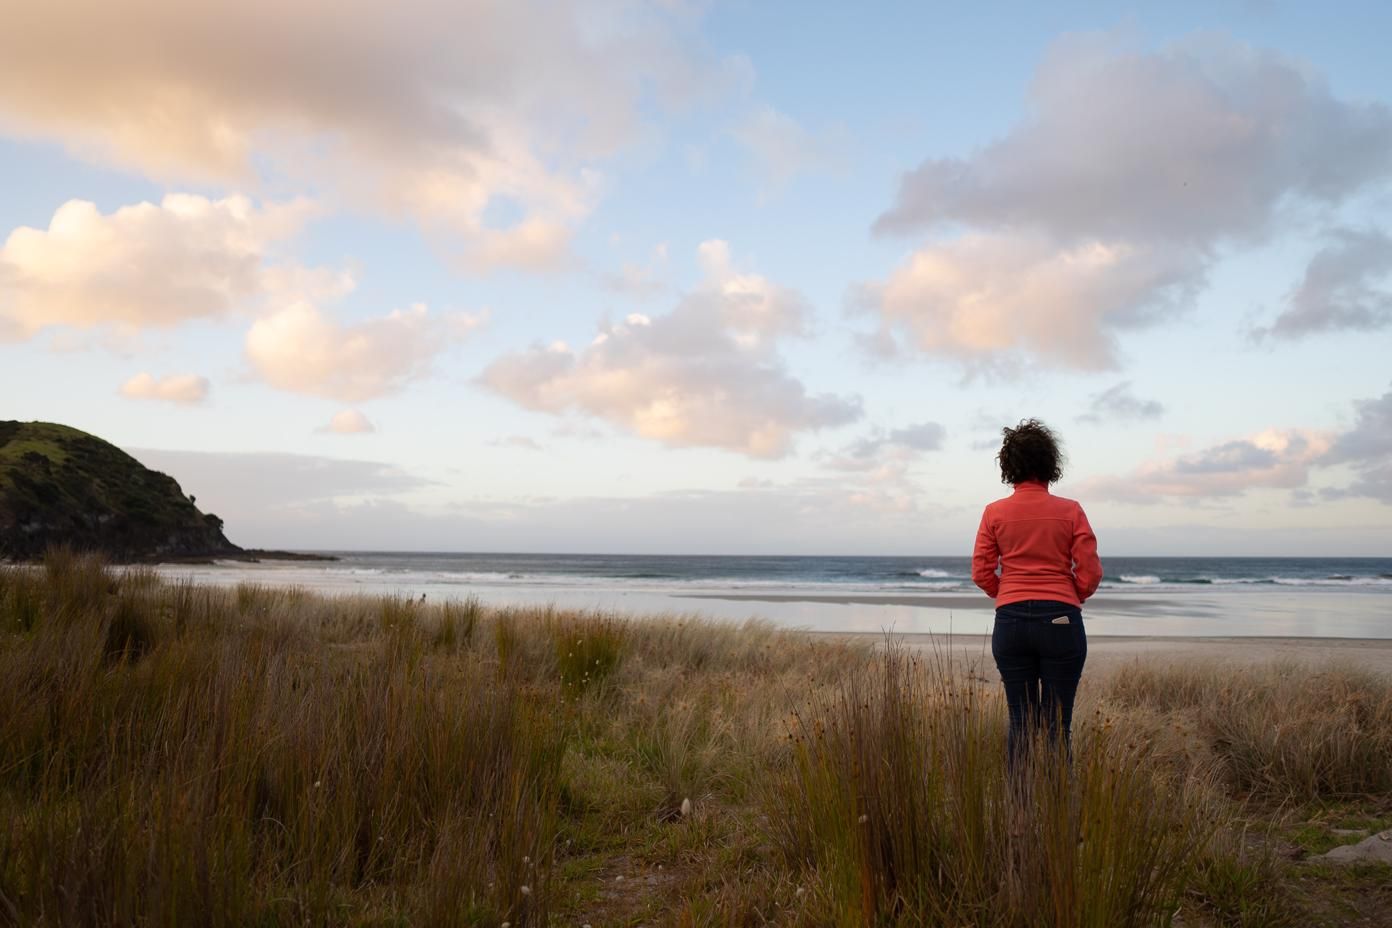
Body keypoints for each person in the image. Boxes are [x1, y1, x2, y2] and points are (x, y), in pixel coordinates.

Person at [972, 419, 1102, 772]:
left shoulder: (994, 513)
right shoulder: (1070, 511)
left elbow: (981, 571)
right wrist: (1068, 595)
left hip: (1010, 623)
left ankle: (1020, 814)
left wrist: (1010, 594)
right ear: (1050, 463)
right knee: (1058, 727)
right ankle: (1060, 812)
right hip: (1061, 621)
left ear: (1009, 465)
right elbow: (1089, 571)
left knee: (1021, 724)